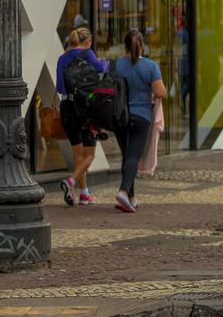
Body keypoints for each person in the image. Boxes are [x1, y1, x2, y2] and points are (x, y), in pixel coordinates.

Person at [113, 29, 166, 213]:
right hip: (141, 115)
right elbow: (160, 92)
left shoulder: (116, 65)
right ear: (142, 46)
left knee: (128, 156)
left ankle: (131, 198)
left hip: (119, 117)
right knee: (133, 156)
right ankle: (123, 191)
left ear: (125, 46)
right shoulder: (151, 66)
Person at [55, 26, 108, 207]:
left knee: (77, 152)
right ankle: (70, 182)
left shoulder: (62, 59)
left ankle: (84, 193)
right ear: (88, 42)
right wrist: (105, 61)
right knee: (90, 154)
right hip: (85, 109)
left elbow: (60, 88)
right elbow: (102, 68)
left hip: (67, 107)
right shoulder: (87, 54)